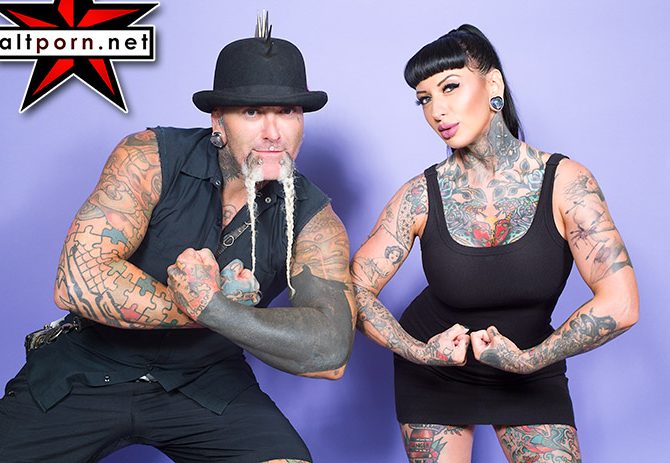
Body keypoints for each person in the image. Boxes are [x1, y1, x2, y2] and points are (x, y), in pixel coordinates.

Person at [0, 13, 355, 463]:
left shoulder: (314, 216)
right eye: (252, 112)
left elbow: (329, 351)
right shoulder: (148, 157)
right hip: (87, 367)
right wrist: (207, 305)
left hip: (207, 380)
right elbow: (77, 281)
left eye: (287, 112)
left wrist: (214, 307)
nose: (273, 132)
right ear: (218, 121)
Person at [351, 24, 639, 463]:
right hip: (437, 374)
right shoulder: (419, 196)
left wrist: (529, 361)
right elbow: (354, 288)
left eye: (450, 87)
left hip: (531, 365)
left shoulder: (566, 184)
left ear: (493, 85)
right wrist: (420, 352)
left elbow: (622, 303)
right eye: (424, 99)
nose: (437, 111)